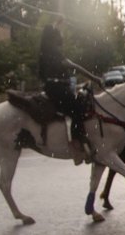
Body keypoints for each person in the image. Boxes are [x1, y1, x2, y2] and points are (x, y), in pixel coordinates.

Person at [39, 15, 101, 162]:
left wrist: (57, 23)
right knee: (77, 108)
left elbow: (50, 30)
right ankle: (77, 143)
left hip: (55, 87)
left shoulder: (47, 50)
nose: (61, 35)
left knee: (78, 103)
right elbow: (74, 66)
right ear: (53, 38)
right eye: (59, 34)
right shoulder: (53, 52)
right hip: (57, 89)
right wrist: (94, 78)